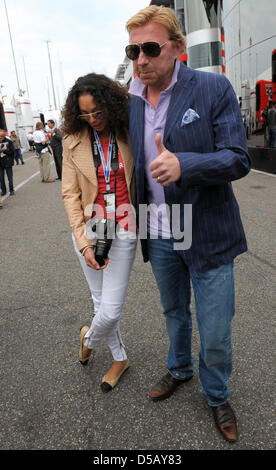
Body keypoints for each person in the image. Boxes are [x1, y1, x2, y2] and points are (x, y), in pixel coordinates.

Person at [126, 5, 251, 442]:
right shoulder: (132, 101)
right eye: (132, 50)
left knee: (214, 328)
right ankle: (179, 369)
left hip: (208, 228)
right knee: (174, 312)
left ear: (177, 48)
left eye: (150, 48)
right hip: (160, 229)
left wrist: (187, 166)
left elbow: (239, 158)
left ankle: (217, 394)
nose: (140, 59)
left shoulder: (213, 88)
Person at [61, 73, 137, 393]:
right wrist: (83, 243)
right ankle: (119, 359)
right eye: (85, 114)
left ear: (110, 104)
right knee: (99, 302)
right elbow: (70, 196)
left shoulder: (129, 131)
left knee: (111, 307)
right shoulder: (72, 141)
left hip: (125, 225)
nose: (93, 119)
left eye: (98, 111)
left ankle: (88, 339)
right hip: (93, 227)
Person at [0, 129, 15, 196]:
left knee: (10, 177)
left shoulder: (9, 142)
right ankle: (3, 190)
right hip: (0, 163)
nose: (0, 138)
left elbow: (12, 152)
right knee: (1, 178)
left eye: (1, 136)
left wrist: (4, 150)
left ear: (3, 136)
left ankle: (11, 190)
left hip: (8, 161)